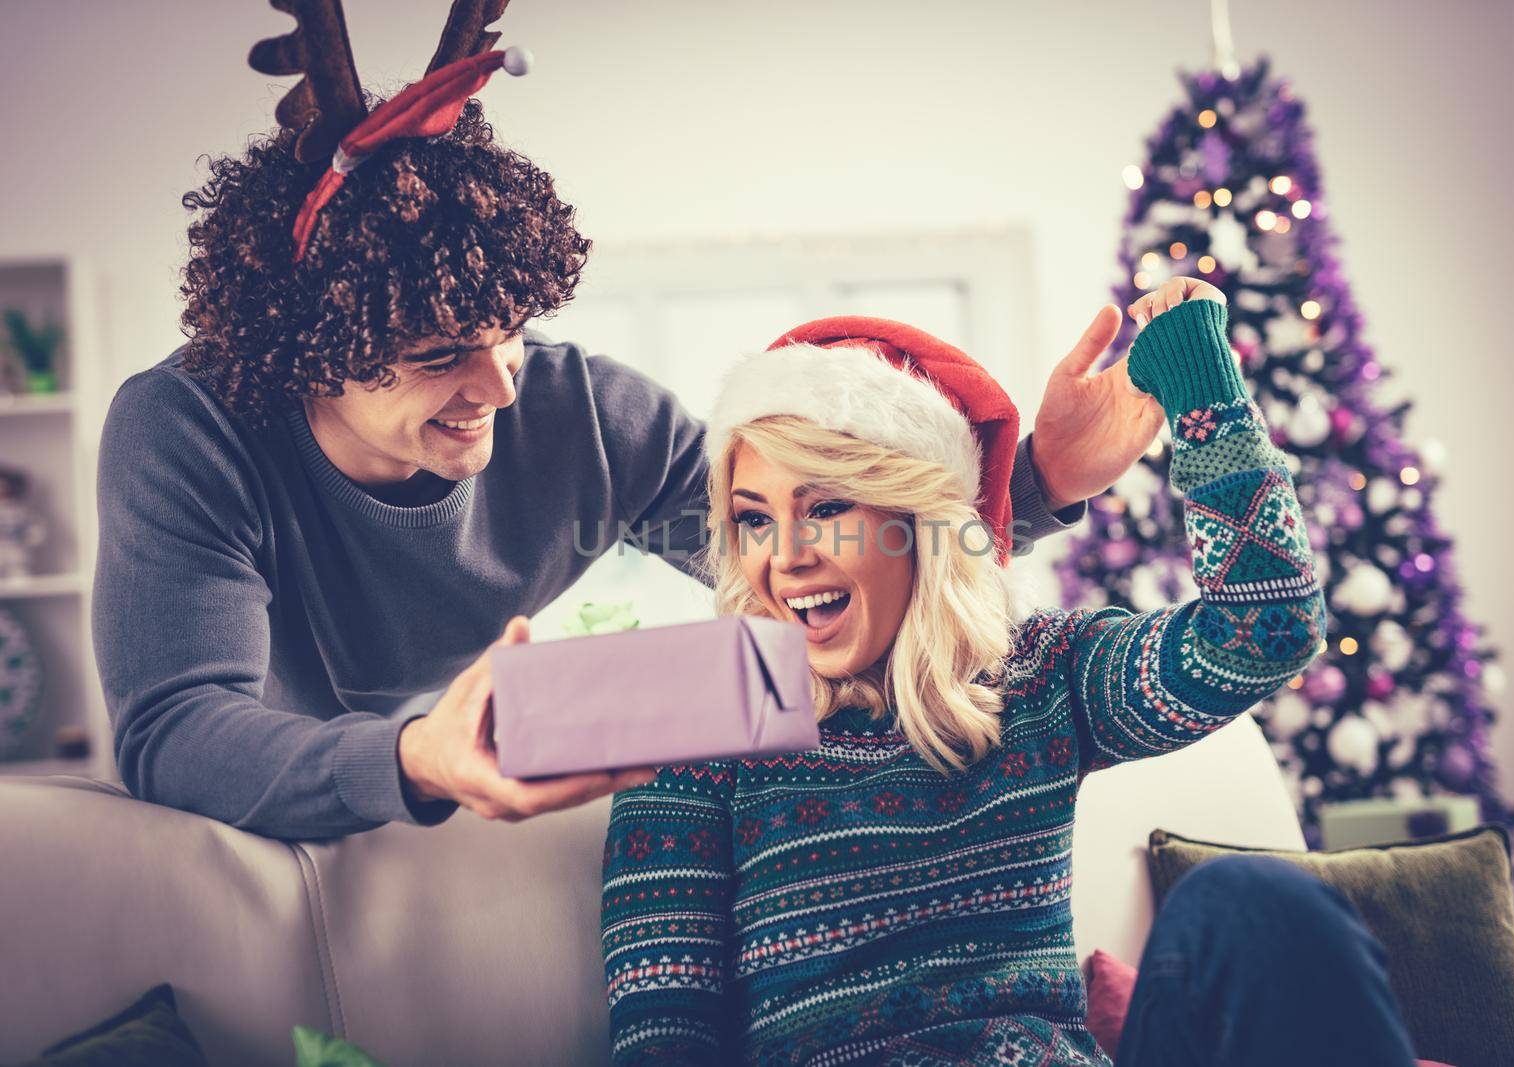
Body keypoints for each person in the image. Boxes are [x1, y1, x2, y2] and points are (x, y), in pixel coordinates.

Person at [90, 13, 1139, 841]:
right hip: (271, 821)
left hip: (477, 788)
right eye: (438, 355)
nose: (500, 388)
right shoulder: (188, 429)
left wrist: (1040, 481)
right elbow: (176, 727)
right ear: (309, 349)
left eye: (509, 334)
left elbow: (816, 563)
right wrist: (411, 755)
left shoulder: (582, 412)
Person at [600, 280, 1419, 1065]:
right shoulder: (699, 723)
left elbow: (1265, 632)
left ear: (916, 519)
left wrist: (1201, 387)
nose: (784, 555)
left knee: (1252, 902)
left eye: (825, 507)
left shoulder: (1040, 677)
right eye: (753, 518)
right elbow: (664, 1042)